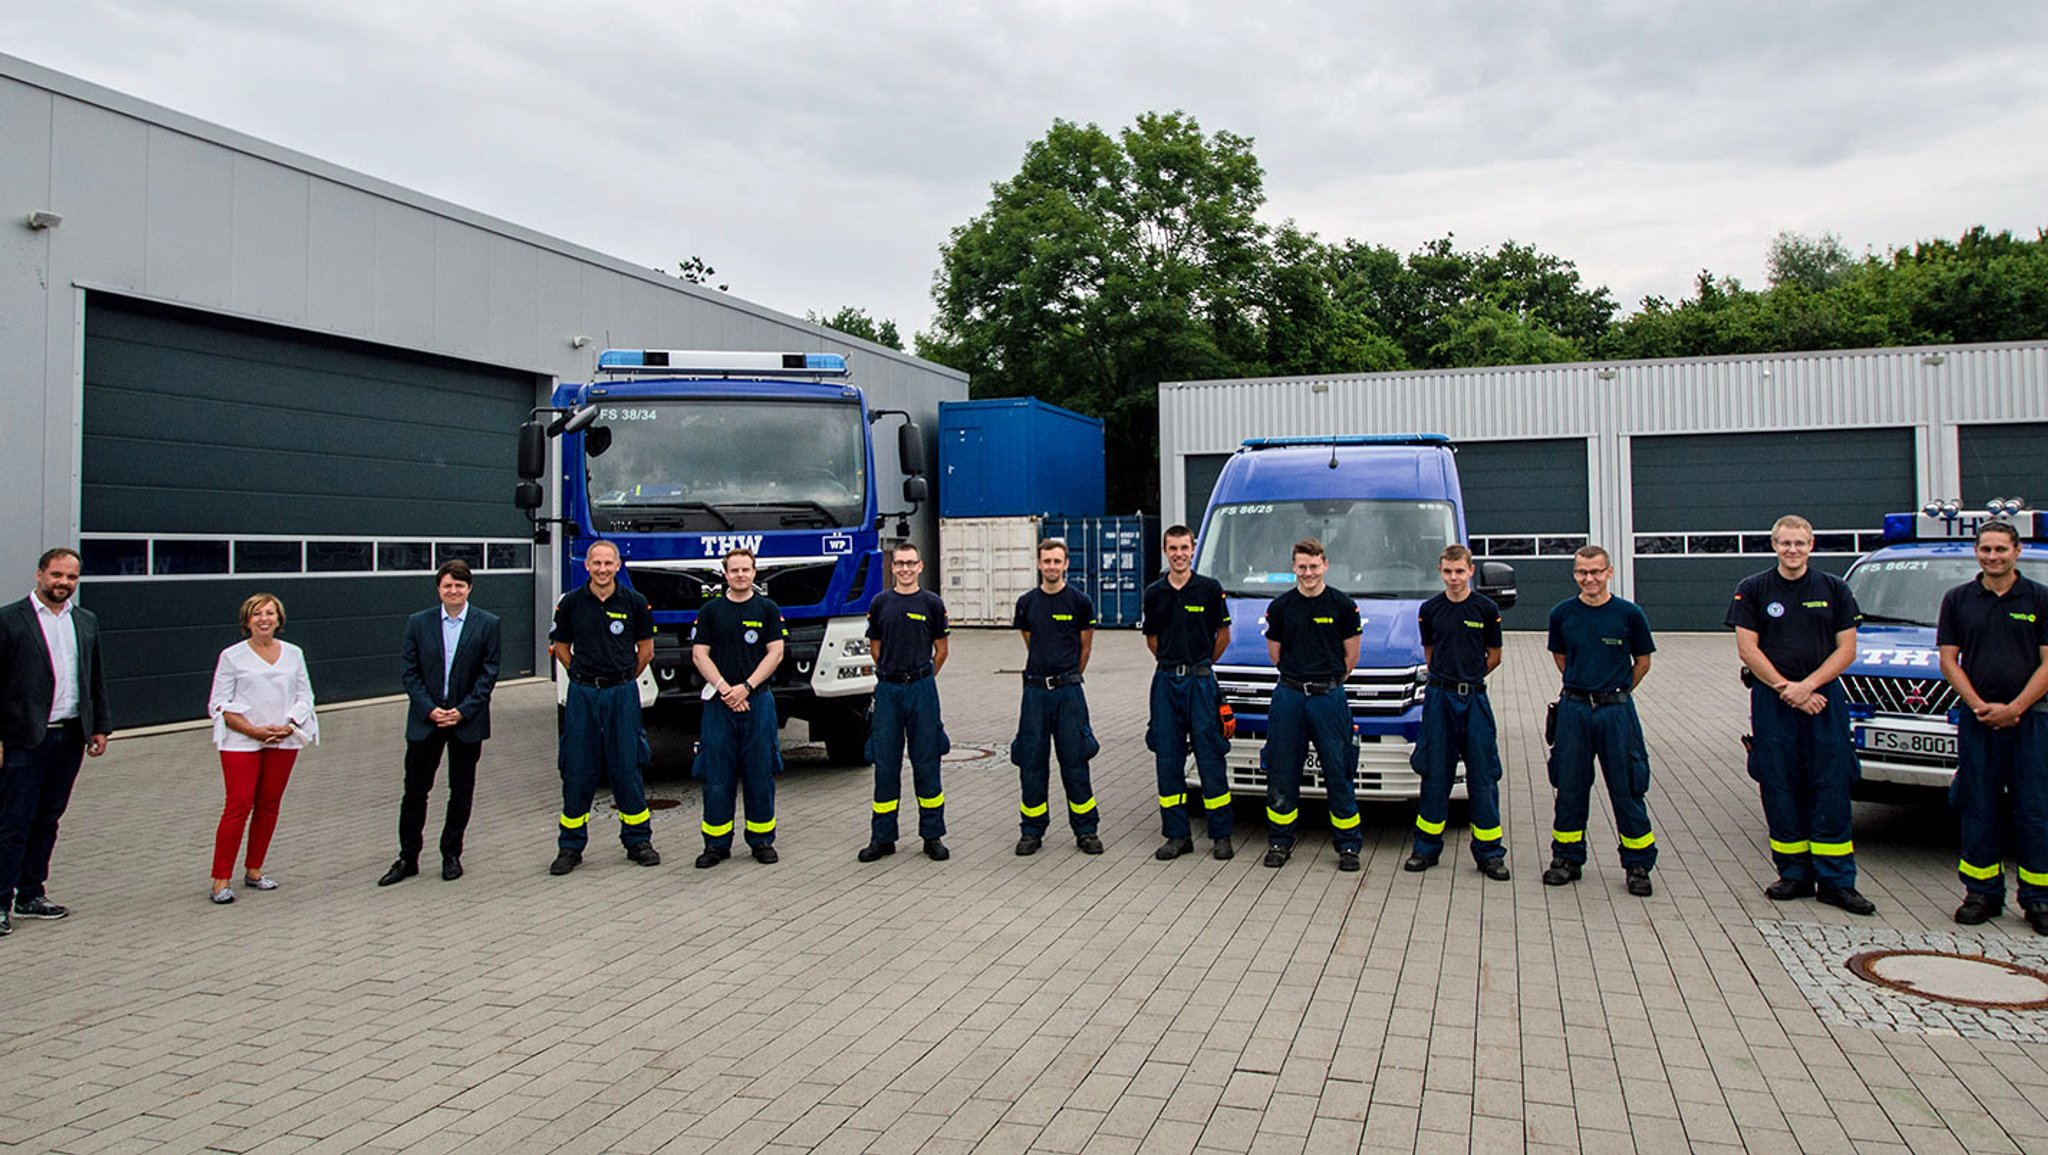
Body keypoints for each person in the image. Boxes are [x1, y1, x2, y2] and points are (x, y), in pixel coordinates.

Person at [1728, 515, 1875, 914]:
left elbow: (1847, 650)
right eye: (1785, 543)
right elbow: (1748, 649)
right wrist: (1786, 689)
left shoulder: (1834, 589)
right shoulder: (1753, 590)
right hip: (1774, 702)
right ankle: (1793, 873)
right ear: (1773, 545)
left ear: (1812, 545)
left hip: (1823, 701)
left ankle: (1836, 881)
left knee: (1830, 784)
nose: (1792, 550)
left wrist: (1807, 686)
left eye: (1800, 543)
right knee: (1779, 784)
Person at [1937, 520, 2048, 932]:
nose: (1993, 556)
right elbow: (1949, 659)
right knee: (1978, 805)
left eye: (2001, 549)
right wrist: (1980, 705)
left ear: (2017, 551)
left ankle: (2038, 898)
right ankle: (1981, 893)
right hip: (1978, 720)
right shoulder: (1958, 599)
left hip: (2031, 719)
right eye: (1986, 549)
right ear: (1976, 552)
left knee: (2035, 808)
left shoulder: (2039, 598)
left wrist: (2016, 706)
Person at [0, 548, 111, 935]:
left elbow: (94, 678)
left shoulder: (85, 621)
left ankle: (31, 894)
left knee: (48, 819)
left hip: (69, 737)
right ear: (39, 575)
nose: (64, 583)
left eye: (72, 577)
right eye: (57, 575)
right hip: (24, 739)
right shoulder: (10, 621)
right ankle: (0, 902)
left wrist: (100, 726)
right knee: (13, 822)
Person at [1543, 546, 1658, 896]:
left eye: (1595, 572)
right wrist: (1586, 690)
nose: (1589, 579)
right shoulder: (1562, 614)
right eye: (1582, 572)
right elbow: (1561, 657)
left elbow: (1642, 662)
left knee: (1627, 787)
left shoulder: (1629, 614)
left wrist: (1615, 692)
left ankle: (1638, 863)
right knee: (1570, 786)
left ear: (1609, 572)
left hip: (1616, 712)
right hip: (1575, 710)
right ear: (1575, 574)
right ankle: (1567, 859)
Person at [380, 560, 502, 887]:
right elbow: (410, 672)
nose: (454, 591)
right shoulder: (418, 623)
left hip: (466, 721)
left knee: (461, 790)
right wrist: (429, 709)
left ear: (469, 589)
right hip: (426, 721)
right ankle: (408, 857)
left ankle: (451, 853)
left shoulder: (487, 624)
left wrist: (463, 710)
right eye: (448, 585)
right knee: (415, 791)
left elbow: (488, 674)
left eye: (460, 586)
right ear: (439, 589)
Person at [549, 539, 659, 875]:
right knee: (578, 768)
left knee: (626, 765)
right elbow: (561, 647)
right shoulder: (570, 604)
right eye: (596, 563)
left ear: (617, 566)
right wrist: (583, 676)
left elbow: (646, 652)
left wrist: (621, 678)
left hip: (621, 693)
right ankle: (570, 847)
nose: (602, 569)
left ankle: (638, 841)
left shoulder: (635, 603)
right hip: (583, 693)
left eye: (608, 563)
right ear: (587, 566)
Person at [1261, 537, 1365, 871]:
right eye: (1302, 567)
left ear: (1325, 565)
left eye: (1314, 566)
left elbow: (1352, 655)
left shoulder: (1342, 606)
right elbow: (1275, 654)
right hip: (1290, 695)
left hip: (1328, 697)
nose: (1308, 573)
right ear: (1293, 568)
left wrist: (1327, 682)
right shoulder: (1280, 608)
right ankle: (1280, 840)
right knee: (1282, 770)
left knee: (1339, 770)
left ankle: (1348, 846)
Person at [207, 593, 318, 904]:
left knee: (269, 803)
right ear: (247, 620)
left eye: (270, 613)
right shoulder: (232, 656)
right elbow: (218, 703)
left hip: (282, 739)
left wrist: (290, 724)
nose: (264, 619)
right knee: (238, 804)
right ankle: (220, 879)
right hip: (241, 741)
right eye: (257, 614)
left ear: (279, 620)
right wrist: (252, 730)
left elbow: (305, 695)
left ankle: (254, 870)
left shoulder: (294, 653)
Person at [1406, 544, 1509, 880]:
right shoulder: (1430, 610)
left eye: (1459, 572)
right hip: (1439, 699)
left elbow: (1494, 655)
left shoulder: (1486, 608)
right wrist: (1448, 682)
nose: (1453, 578)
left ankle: (1489, 853)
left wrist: (1469, 679)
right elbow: (1430, 652)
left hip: (1474, 701)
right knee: (1435, 773)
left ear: (1470, 570)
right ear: (1440, 571)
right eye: (1448, 572)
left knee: (1482, 775)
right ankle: (1426, 849)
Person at [690, 547, 787, 868]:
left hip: (757, 702)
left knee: (760, 772)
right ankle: (716, 845)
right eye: (734, 571)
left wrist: (746, 687)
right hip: (719, 705)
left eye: (746, 570)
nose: (741, 575)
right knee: (717, 774)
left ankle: (761, 841)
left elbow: (775, 653)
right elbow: (699, 654)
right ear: (725, 574)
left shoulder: (768, 609)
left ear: (754, 572)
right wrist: (724, 689)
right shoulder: (711, 611)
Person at [1143, 524, 1234, 861]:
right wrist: (1174, 665)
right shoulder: (1154, 593)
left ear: (1193, 549)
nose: (1179, 554)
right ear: (1166, 551)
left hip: (1200, 682)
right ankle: (1177, 835)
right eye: (1173, 548)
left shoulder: (1209, 589)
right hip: (1166, 683)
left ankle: (1221, 834)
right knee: (1167, 759)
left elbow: (1223, 635)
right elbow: (1152, 640)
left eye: (1184, 547)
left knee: (1210, 757)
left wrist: (1201, 666)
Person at [860, 542, 951, 863]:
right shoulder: (881, 602)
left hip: (922, 690)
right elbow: (875, 646)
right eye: (899, 563)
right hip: (888, 691)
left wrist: (923, 676)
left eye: (911, 563)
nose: (905, 569)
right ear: (893, 567)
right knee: (885, 764)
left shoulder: (932, 603)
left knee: (927, 762)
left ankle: (932, 835)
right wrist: (892, 672)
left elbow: (941, 650)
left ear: (920, 566)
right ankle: (883, 838)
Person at [1011, 538, 1103, 856]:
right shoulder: (1026, 603)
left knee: (1075, 762)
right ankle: (1032, 831)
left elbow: (1085, 647)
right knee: (1031, 763)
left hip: (1068, 694)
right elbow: (1029, 640)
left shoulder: (1079, 602)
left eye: (1057, 561)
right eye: (1046, 561)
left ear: (1066, 564)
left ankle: (1086, 830)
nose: (1051, 566)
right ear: (1039, 564)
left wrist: (1066, 677)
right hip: (1035, 694)